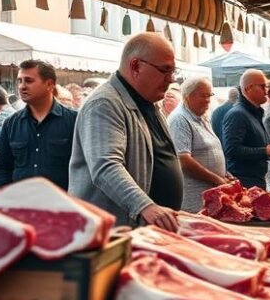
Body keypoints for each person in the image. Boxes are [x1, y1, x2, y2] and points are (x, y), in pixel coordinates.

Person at [69, 32, 184, 229]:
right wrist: (145, 206)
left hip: (152, 232)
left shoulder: (149, 103)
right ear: (135, 66)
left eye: (173, 71)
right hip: (115, 234)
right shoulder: (104, 103)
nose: (170, 79)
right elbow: (106, 166)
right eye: (164, 70)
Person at [0, 59, 77, 188]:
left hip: (60, 204)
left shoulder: (74, 121)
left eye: (29, 81)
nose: (22, 86)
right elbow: (3, 169)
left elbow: (82, 169)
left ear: (49, 84)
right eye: (20, 81)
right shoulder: (11, 124)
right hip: (21, 203)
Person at [168, 76, 231, 212]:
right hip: (194, 201)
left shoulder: (202, 117)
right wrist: (216, 179)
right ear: (187, 97)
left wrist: (225, 174)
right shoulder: (179, 119)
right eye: (203, 96)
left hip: (210, 197)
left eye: (209, 95)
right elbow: (183, 160)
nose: (208, 100)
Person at [222, 68, 270, 190]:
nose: (266, 91)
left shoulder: (254, 112)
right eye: (262, 87)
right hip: (245, 182)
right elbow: (231, 150)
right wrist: (265, 151)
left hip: (257, 179)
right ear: (248, 89)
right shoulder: (237, 114)